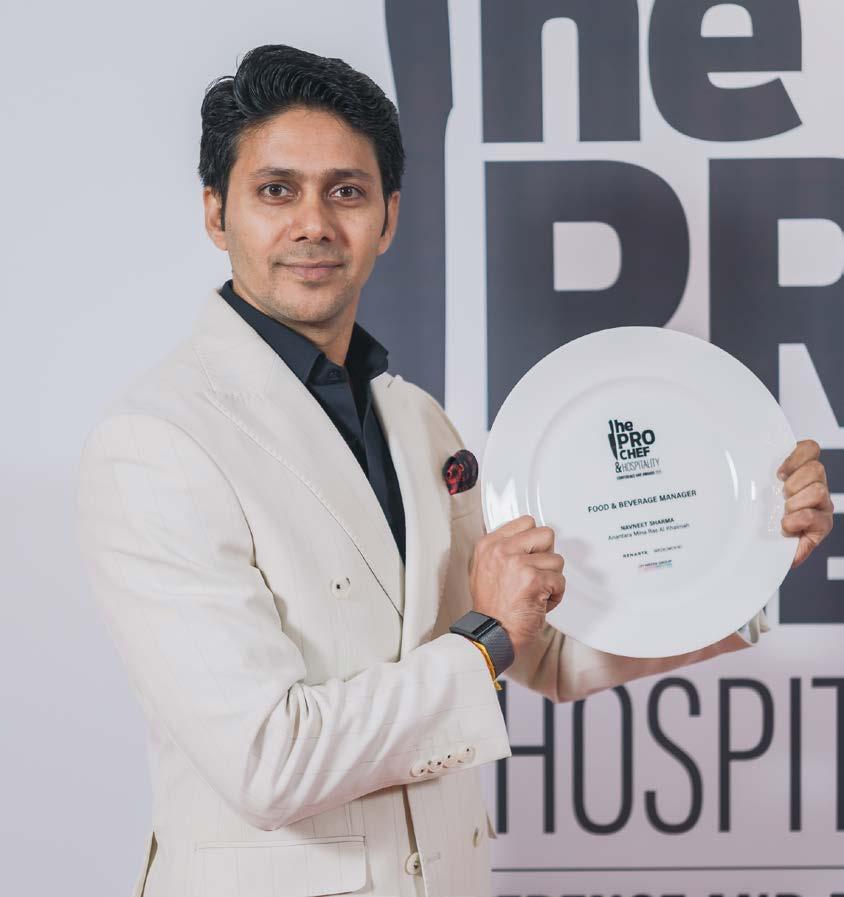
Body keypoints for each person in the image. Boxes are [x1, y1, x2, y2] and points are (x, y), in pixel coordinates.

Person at [75, 44, 835, 897]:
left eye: (346, 191)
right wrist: (487, 637)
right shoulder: (158, 442)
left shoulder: (416, 419)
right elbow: (269, 761)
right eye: (276, 190)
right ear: (217, 214)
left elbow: (544, 653)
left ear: (388, 218)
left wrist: (743, 554)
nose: (314, 223)